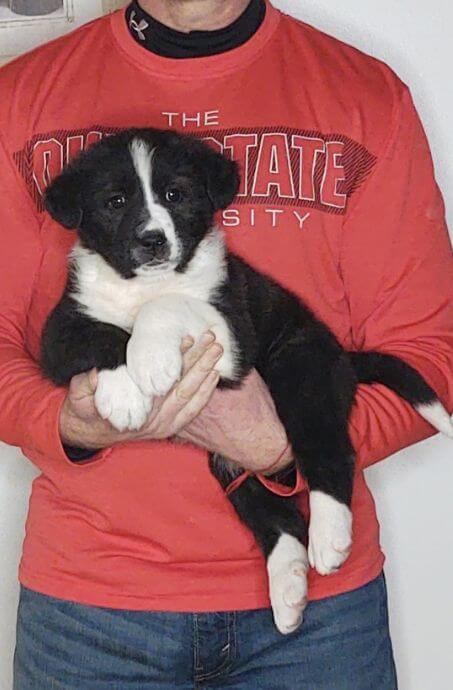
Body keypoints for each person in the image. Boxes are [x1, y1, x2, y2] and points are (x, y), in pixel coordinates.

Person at [0, 0, 451, 688]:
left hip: (321, 627)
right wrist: (63, 422)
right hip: (90, 613)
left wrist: (286, 443)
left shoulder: (363, 95)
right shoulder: (20, 99)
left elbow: (432, 354)